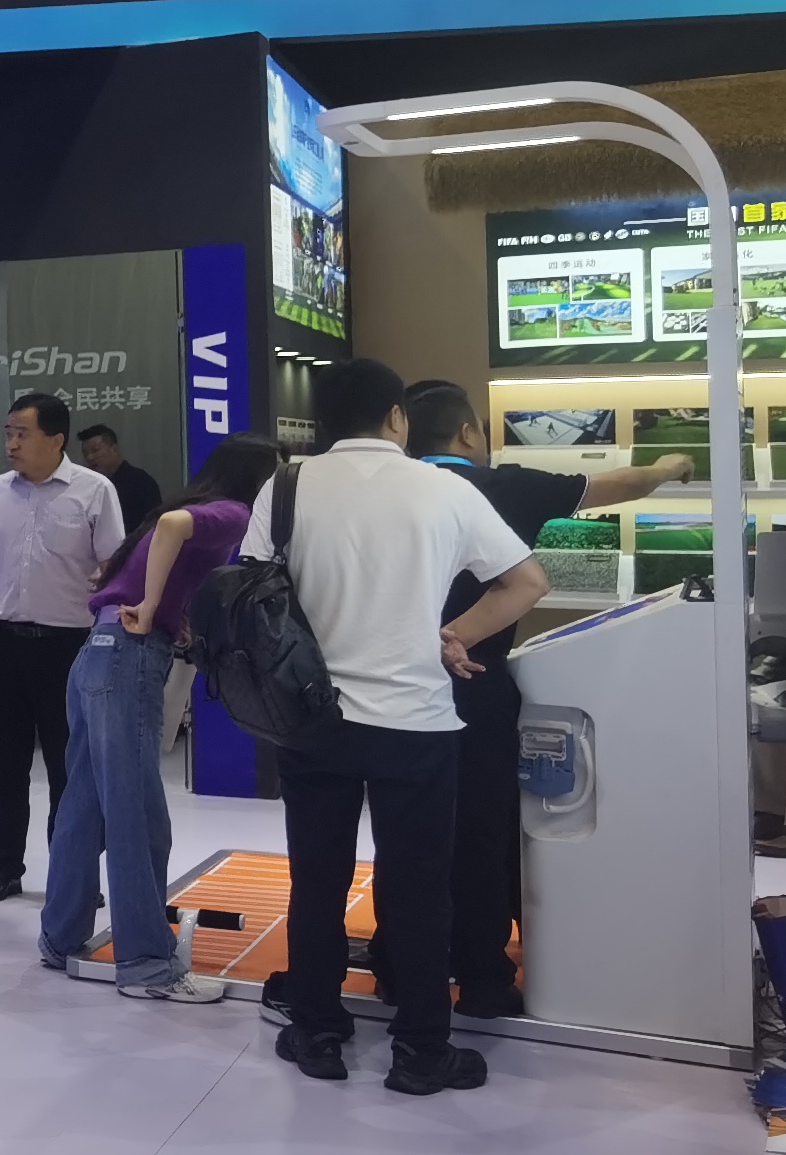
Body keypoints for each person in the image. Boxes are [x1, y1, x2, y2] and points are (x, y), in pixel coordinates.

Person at [244, 358, 549, 1093]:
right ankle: (420, 1048)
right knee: (418, 888)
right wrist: (456, 636)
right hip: (417, 722)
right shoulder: (444, 488)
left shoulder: (285, 486)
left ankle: (317, 1031)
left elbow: (252, 589)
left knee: (318, 881)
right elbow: (526, 581)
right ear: (396, 417)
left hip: (313, 720)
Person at [401, 381, 684, 1014]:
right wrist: (669, 466)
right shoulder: (507, 487)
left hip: (390, 687)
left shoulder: (390, 492)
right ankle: (482, 976)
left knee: (405, 832)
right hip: (474, 685)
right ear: (467, 432)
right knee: (482, 832)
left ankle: (402, 967)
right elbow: (622, 483)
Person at [38, 433, 285, 1001]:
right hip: (130, 657)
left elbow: (159, 540)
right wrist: (153, 607)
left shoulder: (194, 506)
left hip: (97, 653)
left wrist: (167, 609)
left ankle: (60, 937)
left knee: (85, 806)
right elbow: (175, 527)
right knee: (137, 813)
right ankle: (147, 963)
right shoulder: (232, 512)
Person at [0, 392, 127, 905]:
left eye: (22, 434)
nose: (11, 443)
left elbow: (113, 566)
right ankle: (4, 866)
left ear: (56, 439)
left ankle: (72, 873)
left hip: (68, 648)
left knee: (69, 767)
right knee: (3, 764)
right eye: (8, 433)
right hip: (2, 644)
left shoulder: (94, 491)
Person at [77, 424, 163, 537]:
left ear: (114, 449)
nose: (90, 457)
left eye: (95, 450)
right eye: (85, 453)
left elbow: (151, 528)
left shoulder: (141, 483)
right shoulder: (87, 487)